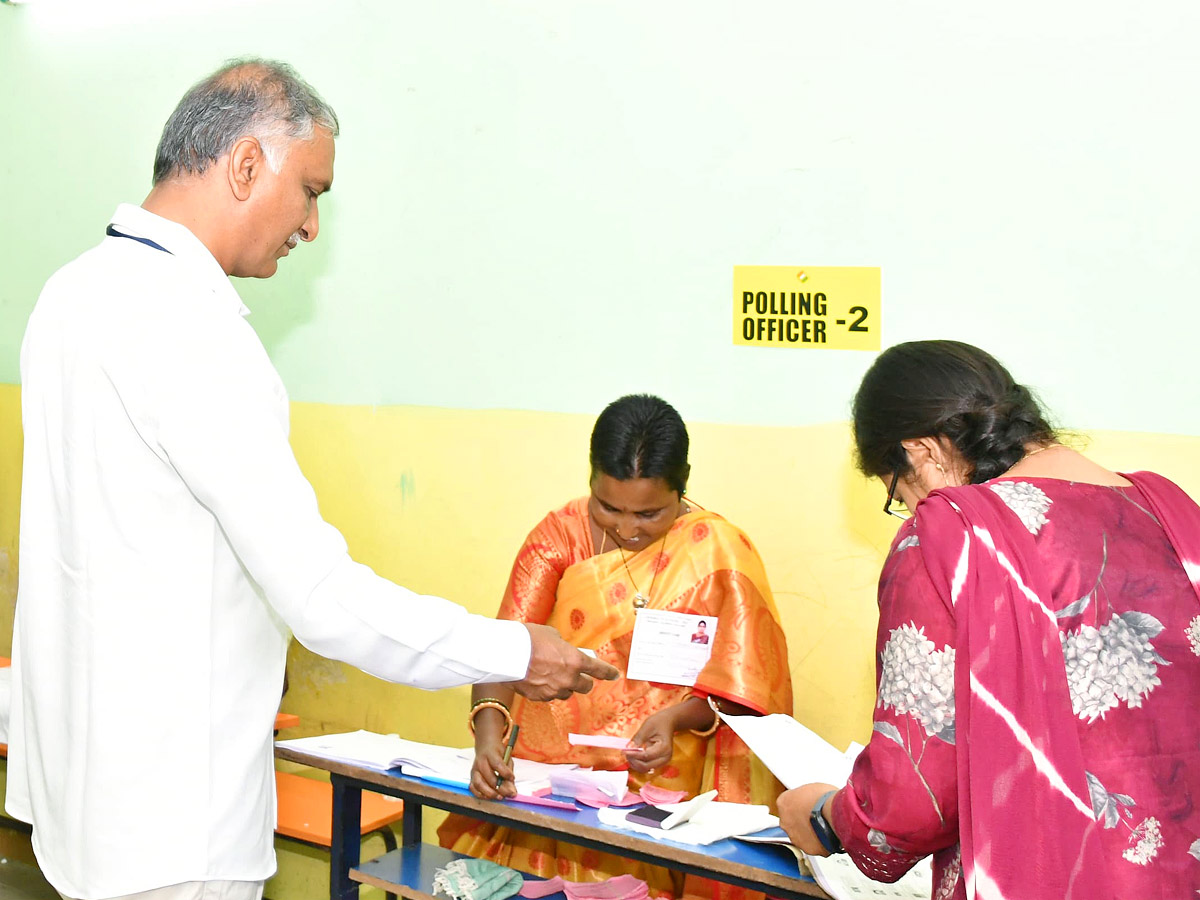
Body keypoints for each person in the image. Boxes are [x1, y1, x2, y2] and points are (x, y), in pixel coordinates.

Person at [8, 58, 615, 900]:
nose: (312, 226)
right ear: (247, 165)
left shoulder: (69, 295)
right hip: (173, 831)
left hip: (80, 805)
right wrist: (512, 648)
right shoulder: (194, 329)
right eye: (313, 191)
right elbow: (323, 599)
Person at [778, 341, 1200, 899]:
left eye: (899, 493)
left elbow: (916, 794)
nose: (909, 509)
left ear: (923, 451)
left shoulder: (951, 539)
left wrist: (830, 817)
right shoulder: (1170, 511)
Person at [439, 394, 793, 899]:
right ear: (590, 480)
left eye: (650, 513)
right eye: (608, 508)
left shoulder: (717, 551)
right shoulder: (558, 538)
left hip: (666, 791)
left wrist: (674, 720)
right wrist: (488, 737)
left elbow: (741, 690)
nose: (627, 529)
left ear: (682, 484)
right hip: (556, 787)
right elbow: (503, 647)